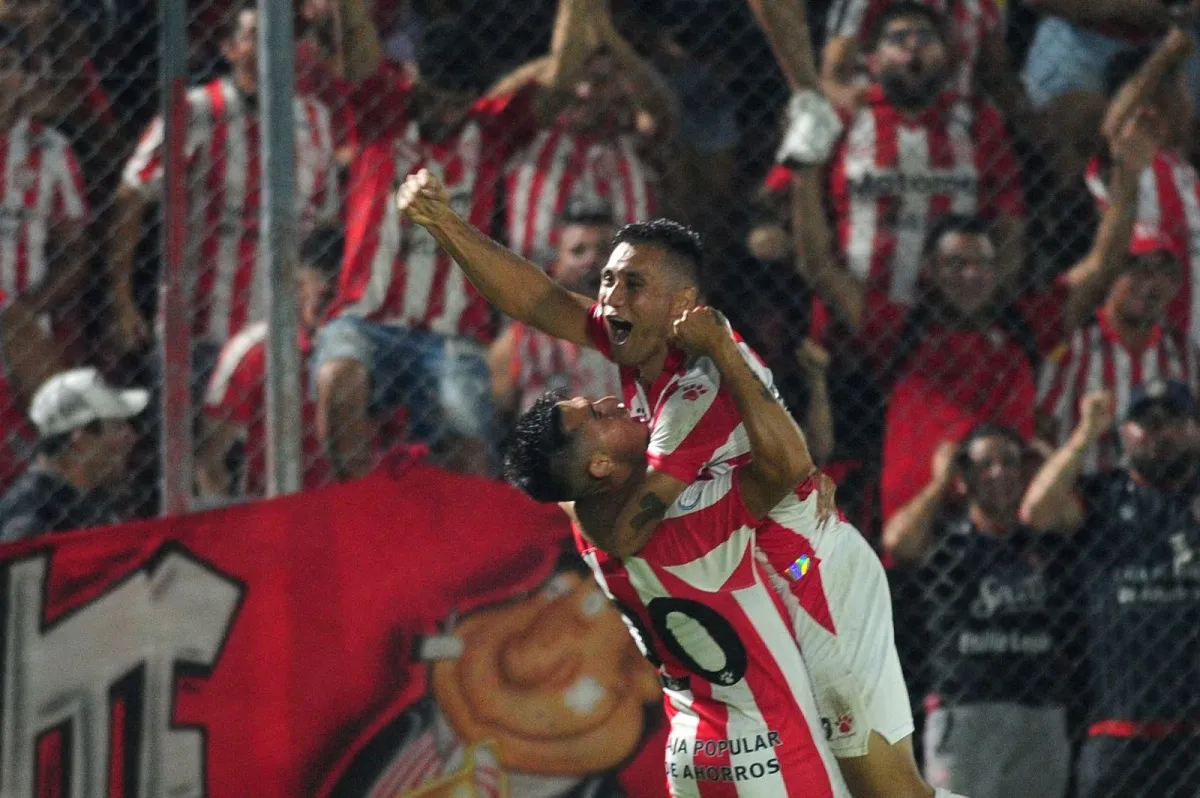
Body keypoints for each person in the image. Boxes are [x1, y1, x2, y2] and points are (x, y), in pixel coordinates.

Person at [397, 169, 947, 797]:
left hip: (810, 577)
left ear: (682, 305)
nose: (609, 300)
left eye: (632, 285)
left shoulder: (698, 389)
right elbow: (541, 301)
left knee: (887, 790)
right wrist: (444, 223)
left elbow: (628, 530)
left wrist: (582, 514)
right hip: (756, 577)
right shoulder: (644, 346)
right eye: (607, 280)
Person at [556, 306, 848, 795]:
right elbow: (787, 478)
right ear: (601, 463)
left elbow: (567, 490)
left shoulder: (587, 528)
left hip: (692, 748)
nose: (611, 401)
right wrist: (723, 352)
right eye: (596, 417)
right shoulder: (691, 529)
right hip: (767, 752)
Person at [313, 0, 601, 479]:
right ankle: (362, 512)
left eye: (457, 100)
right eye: (435, 96)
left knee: (467, 439)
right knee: (338, 380)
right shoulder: (379, 108)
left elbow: (563, 77)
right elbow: (356, 35)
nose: (446, 110)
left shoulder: (490, 129)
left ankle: (455, 542)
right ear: (416, 82)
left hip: (450, 335)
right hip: (364, 319)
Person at [111, 2, 339, 361]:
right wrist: (121, 298)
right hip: (199, 330)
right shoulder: (197, 109)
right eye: (254, 37)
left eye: (280, 38)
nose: (270, 46)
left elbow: (324, 221)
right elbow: (132, 193)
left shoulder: (315, 121)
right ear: (228, 49)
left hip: (281, 332)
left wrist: (315, 291)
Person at [1022, 382, 1200, 797]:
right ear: (1124, 433)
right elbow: (1037, 511)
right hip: (1117, 725)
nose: (1160, 433)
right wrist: (1084, 435)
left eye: (1173, 421)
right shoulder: (1103, 494)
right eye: (1146, 422)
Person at [883, 426, 1073, 798]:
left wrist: (1050, 463)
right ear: (965, 477)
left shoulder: (1043, 535)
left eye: (1009, 462)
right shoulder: (945, 536)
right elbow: (898, 542)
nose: (998, 473)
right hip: (966, 708)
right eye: (984, 464)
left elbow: (1071, 515)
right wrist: (940, 481)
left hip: (1040, 709)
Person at [198, 229, 343, 499]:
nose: (336, 309)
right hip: (275, 512)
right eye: (327, 296)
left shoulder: (381, 351)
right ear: (297, 286)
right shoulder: (255, 351)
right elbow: (209, 459)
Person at [0, 23, 89, 347]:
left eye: (6, 64)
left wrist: (20, 319)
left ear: (27, 77)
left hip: (24, 347)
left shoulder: (51, 150)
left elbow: (75, 253)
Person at [488, 206, 620, 418]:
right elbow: (497, 398)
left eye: (604, 251)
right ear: (557, 264)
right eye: (578, 251)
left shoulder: (640, 326)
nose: (592, 260)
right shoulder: (527, 331)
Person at [0, 367, 145, 542]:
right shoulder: (31, 521)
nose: (131, 437)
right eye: (117, 426)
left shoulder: (85, 498)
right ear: (81, 441)